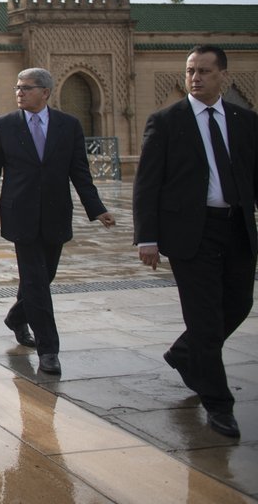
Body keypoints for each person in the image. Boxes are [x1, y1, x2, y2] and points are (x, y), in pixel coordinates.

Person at [133, 46, 257, 439]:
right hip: (192, 234)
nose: (196, 77)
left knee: (238, 303)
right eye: (190, 71)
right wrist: (147, 238)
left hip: (237, 227)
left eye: (204, 71)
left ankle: (184, 355)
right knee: (204, 320)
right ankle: (218, 403)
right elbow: (147, 183)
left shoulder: (245, 121)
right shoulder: (167, 121)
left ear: (223, 75)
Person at [0, 67, 115, 376]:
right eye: (17, 87)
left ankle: (16, 316)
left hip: (55, 214)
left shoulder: (68, 126)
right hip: (19, 214)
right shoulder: (4, 126)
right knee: (37, 282)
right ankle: (49, 349)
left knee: (44, 276)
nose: (20, 92)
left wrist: (97, 209)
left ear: (45, 92)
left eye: (26, 88)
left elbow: (80, 172)